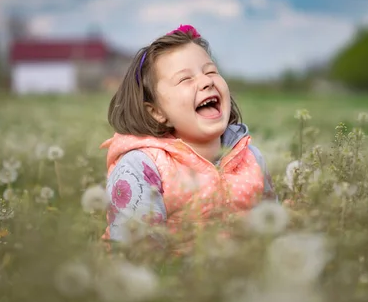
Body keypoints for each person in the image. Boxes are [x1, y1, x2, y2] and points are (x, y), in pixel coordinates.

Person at [100, 24, 276, 251]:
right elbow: (137, 254)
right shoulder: (142, 166)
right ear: (157, 112)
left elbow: (272, 227)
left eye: (211, 71)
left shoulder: (250, 157)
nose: (206, 81)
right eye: (185, 79)